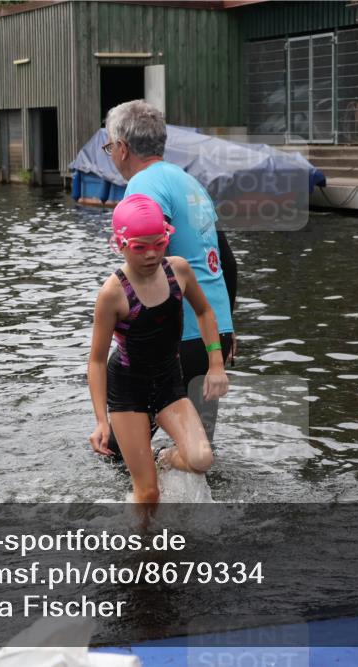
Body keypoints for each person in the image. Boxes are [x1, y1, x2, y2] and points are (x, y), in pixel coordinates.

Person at [103, 100, 237, 454]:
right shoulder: (192, 184)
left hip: (173, 338)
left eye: (109, 147)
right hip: (212, 336)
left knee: (119, 449)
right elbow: (226, 260)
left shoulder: (142, 187)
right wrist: (226, 329)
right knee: (197, 451)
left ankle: (136, 505)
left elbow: (148, 263)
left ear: (122, 147)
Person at [87, 195, 228, 506]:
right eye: (140, 247)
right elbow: (96, 362)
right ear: (120, 244)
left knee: (202, 459)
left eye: (159, 243)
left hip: (168, 381)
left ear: (167, 237)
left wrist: (216, 364)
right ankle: (147, 550)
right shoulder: (112, 294)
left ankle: (163, 457)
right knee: (148, 494)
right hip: (128, 390)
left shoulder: (178, 271)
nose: (151, 254)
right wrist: (101, 421)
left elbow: (205, 313)